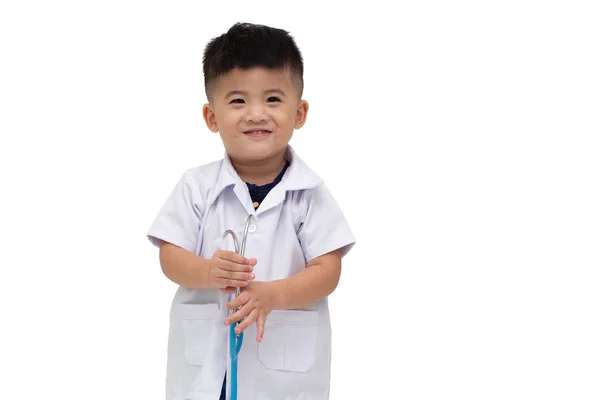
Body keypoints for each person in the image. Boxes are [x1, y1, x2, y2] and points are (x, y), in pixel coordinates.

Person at [147, 21, 356, 400]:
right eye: (238, 101)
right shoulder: (196, 186)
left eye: (273, 99)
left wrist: (275, 295)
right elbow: (170, 257)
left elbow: (328, 271)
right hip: (204, 371)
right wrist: (208, 270)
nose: (257, 114)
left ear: (300, 113)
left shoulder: (310, 194)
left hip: (284, 374)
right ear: (212, 117)